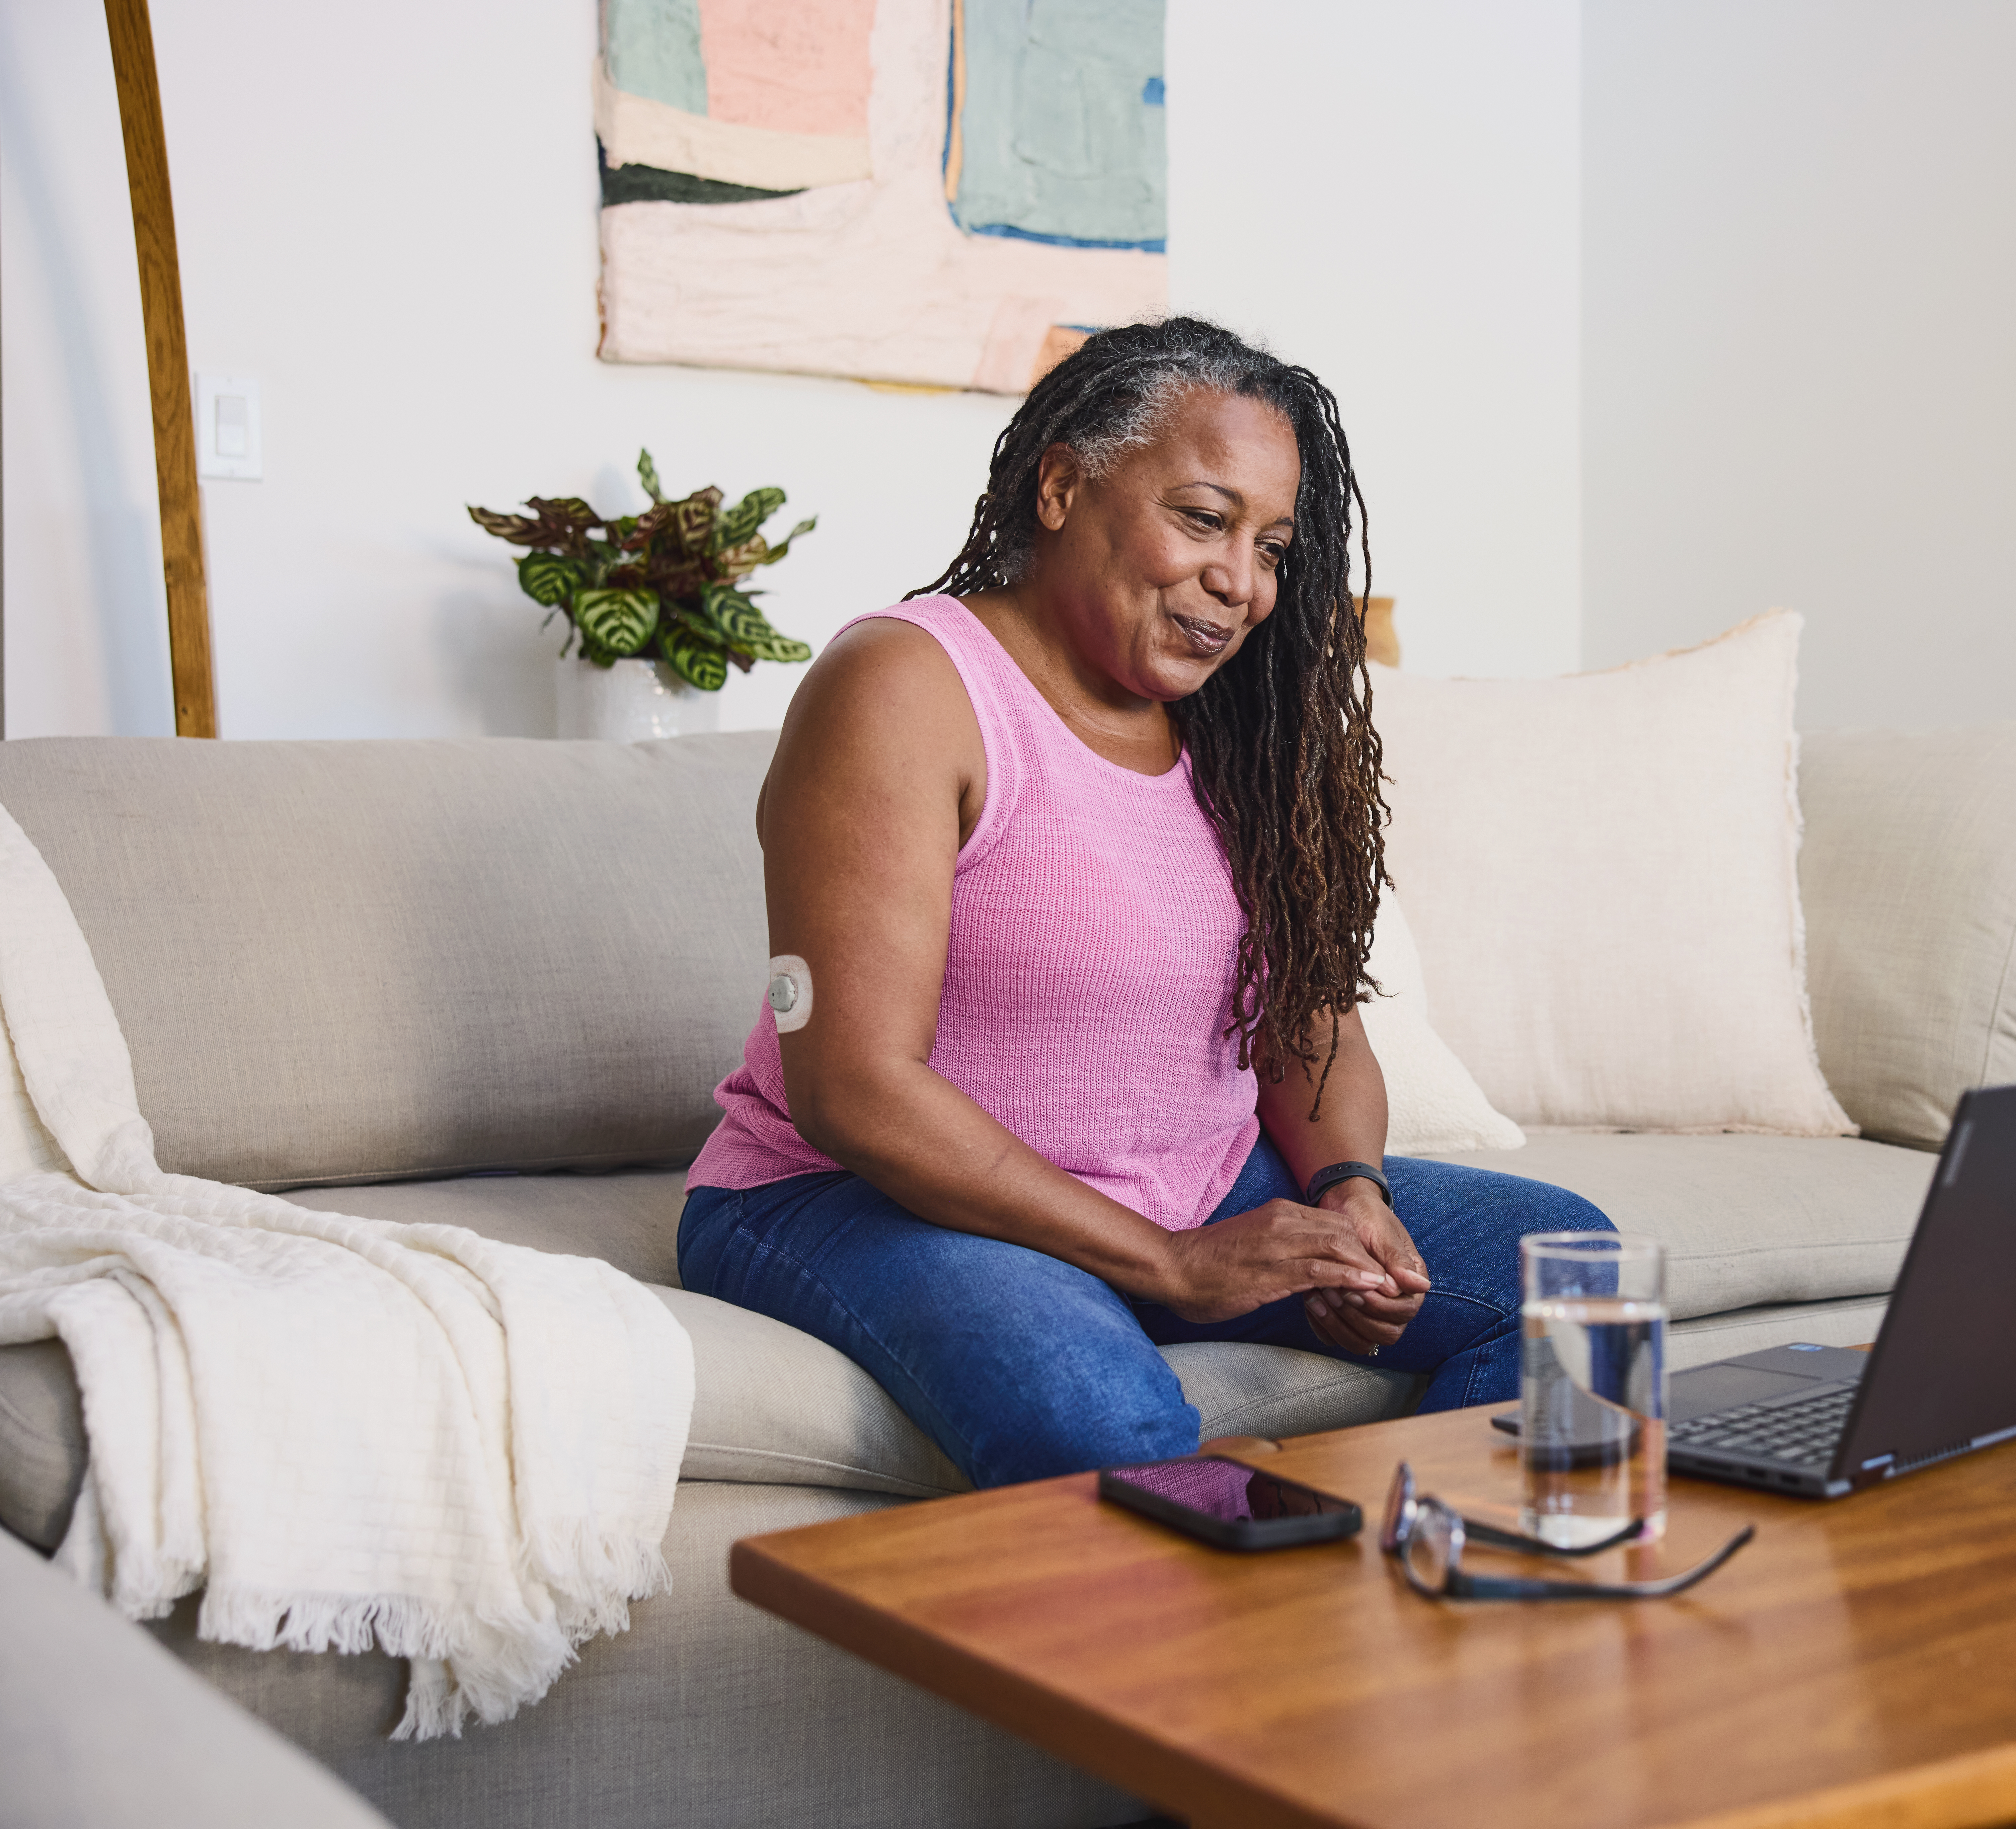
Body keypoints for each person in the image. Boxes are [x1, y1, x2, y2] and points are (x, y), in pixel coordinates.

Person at [678, 317, 1614, 1488]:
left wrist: (1349, 1192)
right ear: (1062, 487)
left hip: (1192, 1185)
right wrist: (1170, 1263)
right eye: (1205, 519)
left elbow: (1310, 1022)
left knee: (1572, 1276)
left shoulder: (1234, 733)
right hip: (868, 1196)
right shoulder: (907, 687)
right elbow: (853, 1090)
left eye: (1273, 547)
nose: (1243, 583)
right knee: (1100, 1421)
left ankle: (1421, 1578)